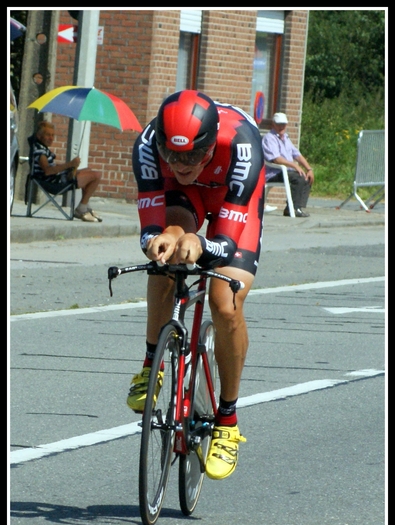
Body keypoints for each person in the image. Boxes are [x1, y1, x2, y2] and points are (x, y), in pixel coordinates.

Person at [129, 89, 266, 480]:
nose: (181, 163)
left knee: (226, 301)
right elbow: (151, 227)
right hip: (186, 199)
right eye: (172, 156)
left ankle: (227, 418)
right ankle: (150, 365)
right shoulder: (147, 147)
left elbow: (224, 244)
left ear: (208, 146)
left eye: (190, 155)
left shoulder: (241, 145)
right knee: (165, 259)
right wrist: (160, 242)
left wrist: (200, 244)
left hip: (232, 200)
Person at [32, 121, 103, 222]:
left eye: (52, 135)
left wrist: (69, 167)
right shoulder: (40, 152)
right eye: (48, 135)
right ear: (39, 136)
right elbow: (48, 171)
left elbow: (53, 166)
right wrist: (70, 164)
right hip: (55, 183)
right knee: (96, 175)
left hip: (57, 177)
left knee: (88, 170)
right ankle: (82, 208)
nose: (51, 138)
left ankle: (85, 205)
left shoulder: (42, 148)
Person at [262, 112, 314, 217]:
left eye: (283, 124)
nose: (281, 127)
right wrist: (294, 166)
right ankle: (293, 209)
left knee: (307, 177)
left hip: (287, 171)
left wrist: (309, 169)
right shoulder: (269, 138)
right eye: (279, 124)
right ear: (273, 124)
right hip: (274, 172)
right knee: (298, 178)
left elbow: (297, 155)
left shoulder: (286, 138)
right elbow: (276, 159)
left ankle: (296, 208)